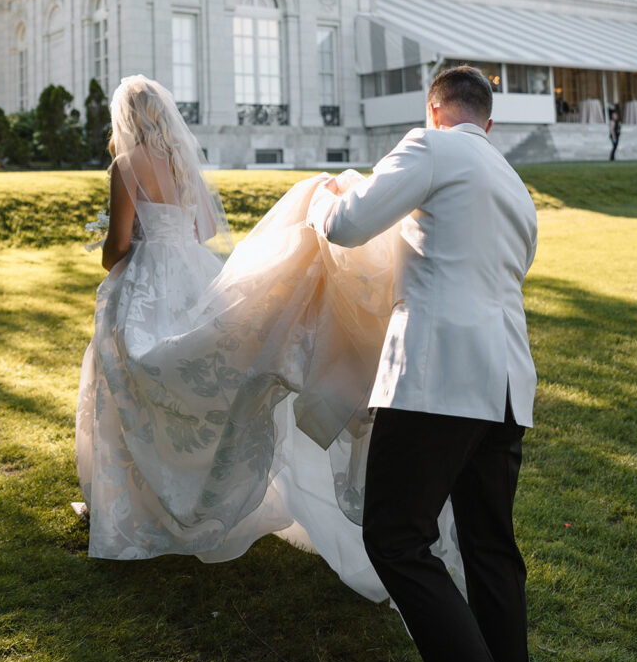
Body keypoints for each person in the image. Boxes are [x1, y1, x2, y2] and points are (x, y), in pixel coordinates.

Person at [75, 74, 461, 600]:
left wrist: (116, 244)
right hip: (191, 273)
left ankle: (131, 505)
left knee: (122, 375)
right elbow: (205, 231)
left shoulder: (126, 166)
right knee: (191, 374)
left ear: (126, 120)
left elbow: (118, 246)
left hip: (144, 279)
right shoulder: (184, 163)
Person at [307, 65, 538, 662]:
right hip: (509, 380)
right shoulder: (515, 185)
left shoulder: (428, 145)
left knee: (396, 537)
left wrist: (318, 203)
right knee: (491, 547)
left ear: (431, 111)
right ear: (488, 123)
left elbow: (348, 225)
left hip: (437, 376)